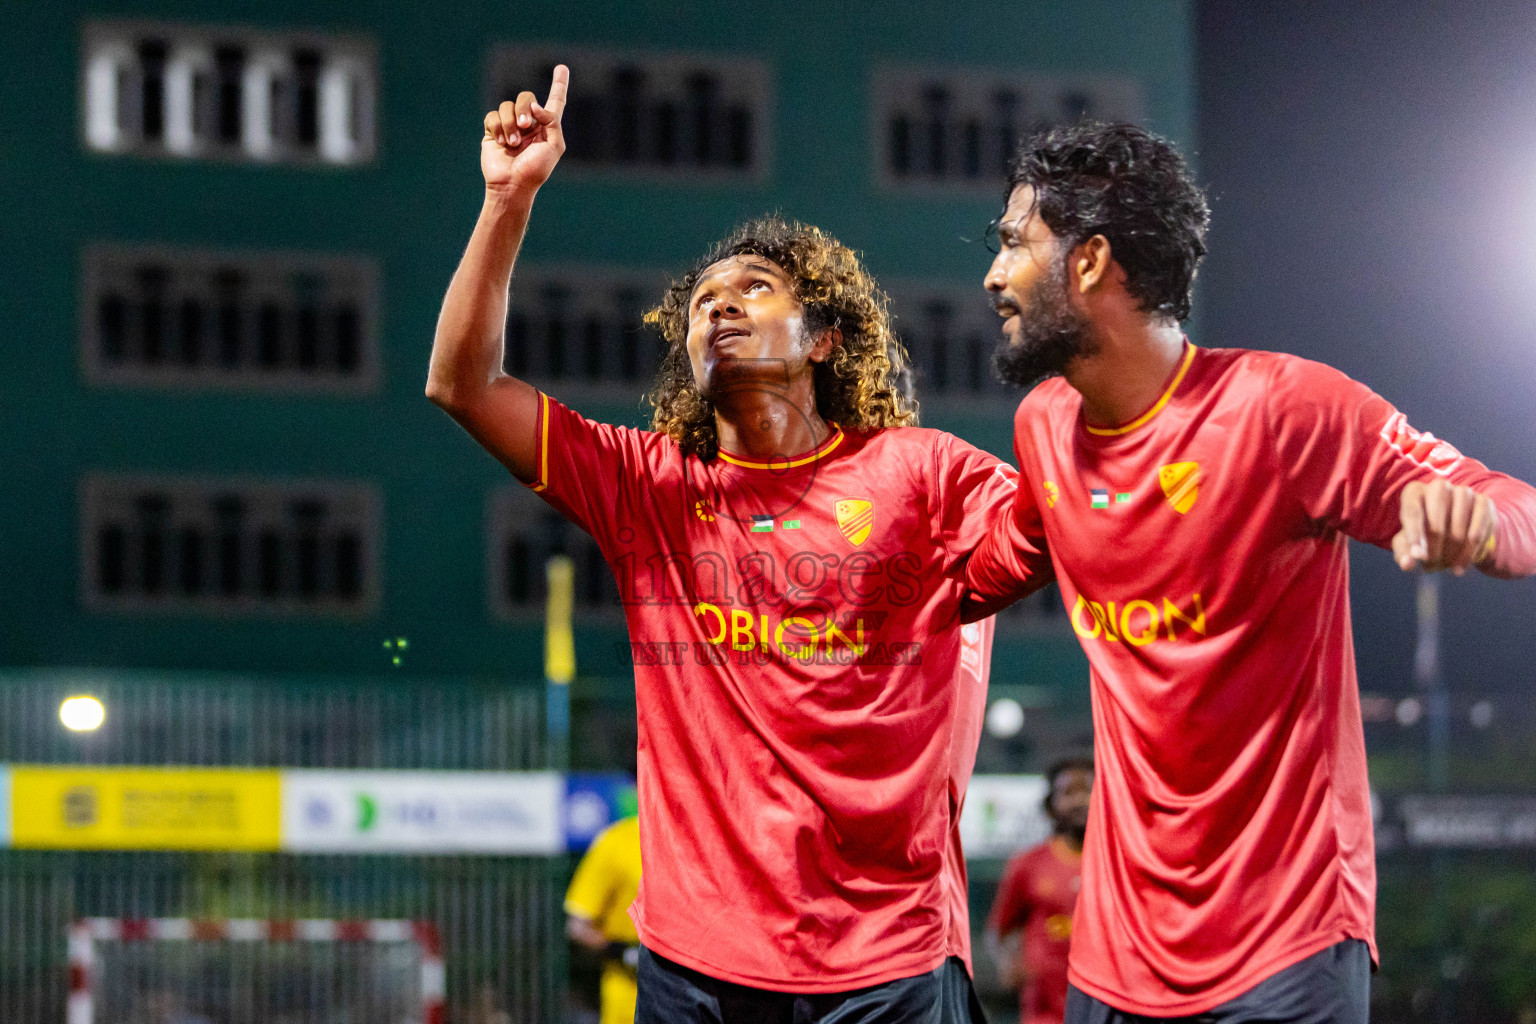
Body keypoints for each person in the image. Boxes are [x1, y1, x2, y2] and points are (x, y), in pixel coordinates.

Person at [428, 66, 1015, 1021]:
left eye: (755, 288)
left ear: (825, 338)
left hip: (889, 955)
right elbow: (462, 382)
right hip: (696, 964)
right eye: (703, 301)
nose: (720, 307)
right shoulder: (644, 483)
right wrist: (507, 201)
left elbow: (1053, 535)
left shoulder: (921, 471)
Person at [962, 120, 1536, 1024]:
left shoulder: (1282, 407)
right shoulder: (1043, 426)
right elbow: (998, 559)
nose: (994, 276)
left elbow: (1515, 504)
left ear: (1089, 262)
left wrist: (1472, 520)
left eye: (1012, 245)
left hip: (1287, 936)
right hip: (1115, 954)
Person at [986, 758, 1093, 1024]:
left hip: (1101, 1006)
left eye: (1087, 790)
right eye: (1069, 793)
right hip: (1043, 1013)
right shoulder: (1028, 865)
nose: (1080, 800)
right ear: (1050, 807)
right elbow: (998, 930)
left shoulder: (1114, 863)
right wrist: (1008, 963)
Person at [566, 813, 644, 1024]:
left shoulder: (698, 835)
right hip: (627, 1000)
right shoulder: (616, 841)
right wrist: (623, 951)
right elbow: (578, 925)